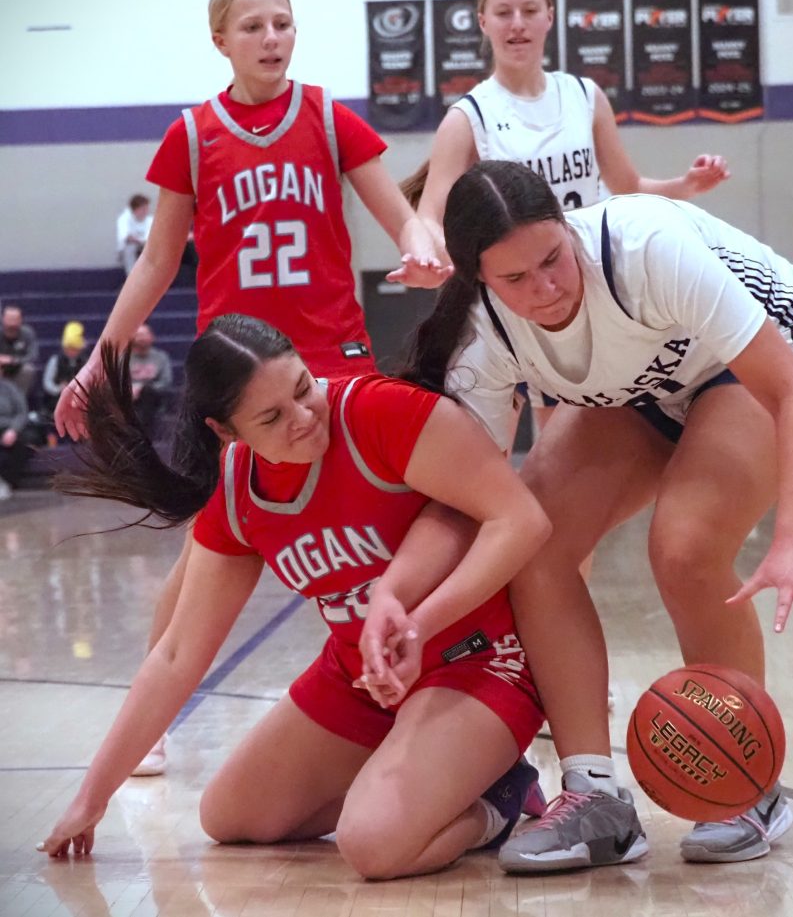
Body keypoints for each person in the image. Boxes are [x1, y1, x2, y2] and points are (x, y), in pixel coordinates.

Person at [402, 160, 793, 872]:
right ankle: (595, 798)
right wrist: (406, 612)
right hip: (640, 381)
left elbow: (792, 393)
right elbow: (479, 507)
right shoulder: (481, 336)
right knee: (533, 543)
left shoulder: (645, 247)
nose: (545, 287)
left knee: (683, 546)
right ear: (479, 280)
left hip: (758, 359)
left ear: (567, 225)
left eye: (552, 259)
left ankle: (749, 782)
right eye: (515, 280)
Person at [53, 0, 450, 777]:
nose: (273, 38)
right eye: (255, 27)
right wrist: (101, 360)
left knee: (388, 535)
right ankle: (151, 717)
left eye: (284, 23)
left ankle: (430, 679)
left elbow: (399, 210)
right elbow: (158, 263)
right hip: (236, 385)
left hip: (331, 370)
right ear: (220, 40)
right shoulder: (192, 137)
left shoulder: (328, 117)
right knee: (207, 555)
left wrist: (420, 242)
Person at [40, 314, 551, 876]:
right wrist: (92, 798)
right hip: (362, 680)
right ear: (227, 432)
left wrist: (420, 622)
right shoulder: (235, 491)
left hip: (474, 661)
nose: (305, 418)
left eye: (304, 389)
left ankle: (497, 798)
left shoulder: (378, 411)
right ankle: (427, 779)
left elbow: (522, 520)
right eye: (272, 417)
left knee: (374, 846)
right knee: (231, 816)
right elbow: (177, 655)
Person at [407, 0, 728, 434]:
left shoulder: (585, 95)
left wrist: (685, 186)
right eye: (503, 12)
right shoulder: (469, 115)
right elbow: (430, 213)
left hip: (598, 278)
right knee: (555, 441)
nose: (517, 23)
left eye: (529, 10)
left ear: (549, 17)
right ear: (483, 22)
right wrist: (428, 256)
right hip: (532, 293)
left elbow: (628, 188)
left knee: (615, 428)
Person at [128, 323, 174, 437]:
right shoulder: (124, 358)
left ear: (152, 337)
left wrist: (142, 388)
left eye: (145, 334)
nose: (142, 338)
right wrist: (131, 389)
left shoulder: (161, 357)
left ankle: (143, 433)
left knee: (147, 392)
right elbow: (117, 381)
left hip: (154, 398)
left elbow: (166, 382)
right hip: (130, 398)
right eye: (138, 335)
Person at [41, 322, 89, 417]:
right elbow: (47, 383)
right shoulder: (55, 360)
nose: (72, 352)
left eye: (75, 349)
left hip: (79, 398)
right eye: (69, 348)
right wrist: (58, 388)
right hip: (56, 399)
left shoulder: (85, 361)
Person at [0, 376, 31, 500]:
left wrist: (13, 430)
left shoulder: (10, 388)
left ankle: (7, 483)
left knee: (21, 446)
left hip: (9, 427)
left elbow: (22, 412)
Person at [0, 305, 39, 400]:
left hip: (18, 370)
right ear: (3, 319)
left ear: (20, 320)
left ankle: (19, 402)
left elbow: (33, 356)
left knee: (28, 370)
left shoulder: (27, 333)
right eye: (9, 320)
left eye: (15, 319)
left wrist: (13, 360)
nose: (12, 324)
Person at [116, 194, 153, 275]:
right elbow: (126, 237)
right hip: (130, 247)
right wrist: (140, 242)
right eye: (143, 209)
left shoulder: (150, 220)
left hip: (147, 246)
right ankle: (131, 276)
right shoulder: (124, 219)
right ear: (135, 209)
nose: (146, 211)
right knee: (130, 247)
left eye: (147, 208)